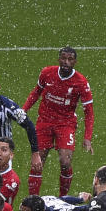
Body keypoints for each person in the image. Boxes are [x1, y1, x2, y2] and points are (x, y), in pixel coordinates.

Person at [22, 46, 94, 196]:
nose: (66, 62)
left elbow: (89, 112)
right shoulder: (47, 73)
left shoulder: (81, 82)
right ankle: (32, 201)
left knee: (65, 161)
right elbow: (36, 92)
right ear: (59, 59)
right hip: (44, 122)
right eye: (63, 58)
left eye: (70, 59)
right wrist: (23, 110)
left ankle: (63, 199)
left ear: (75, 62)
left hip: (65, 124)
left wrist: (87, 137)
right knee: (38, 162)